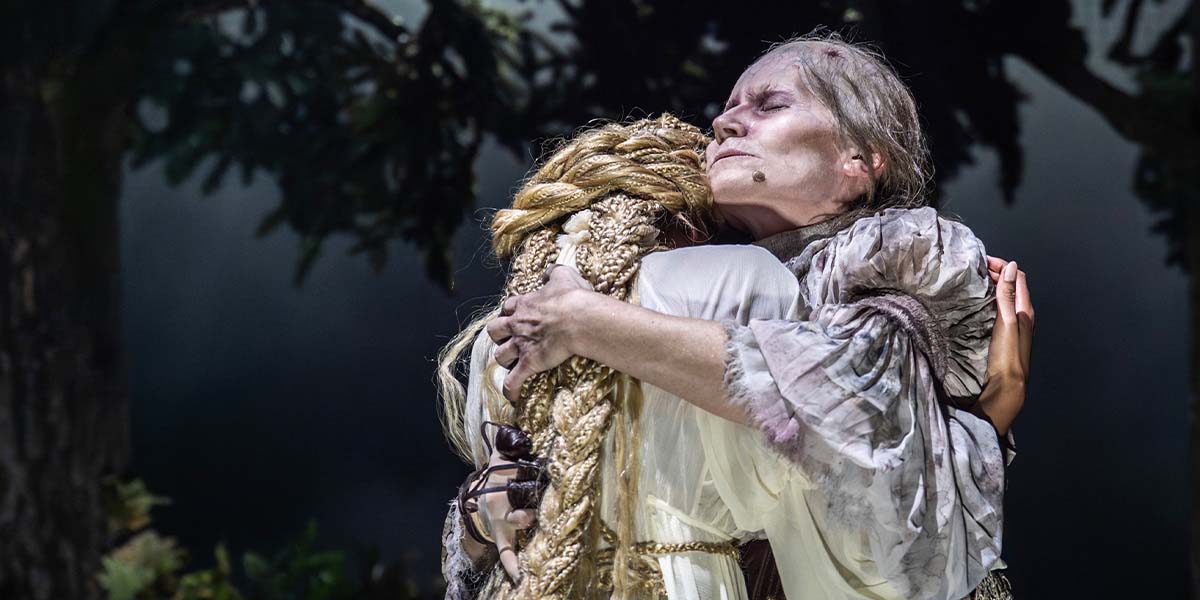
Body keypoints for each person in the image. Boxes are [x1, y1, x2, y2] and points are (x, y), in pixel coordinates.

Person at [443, 33, 1033, 600]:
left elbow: (847, 407)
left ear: (860, 159)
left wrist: (587, 322)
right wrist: (491, 508)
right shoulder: (698, 277)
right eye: (726, 110)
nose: (725, 123)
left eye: (770, 105)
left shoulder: (904, 254)